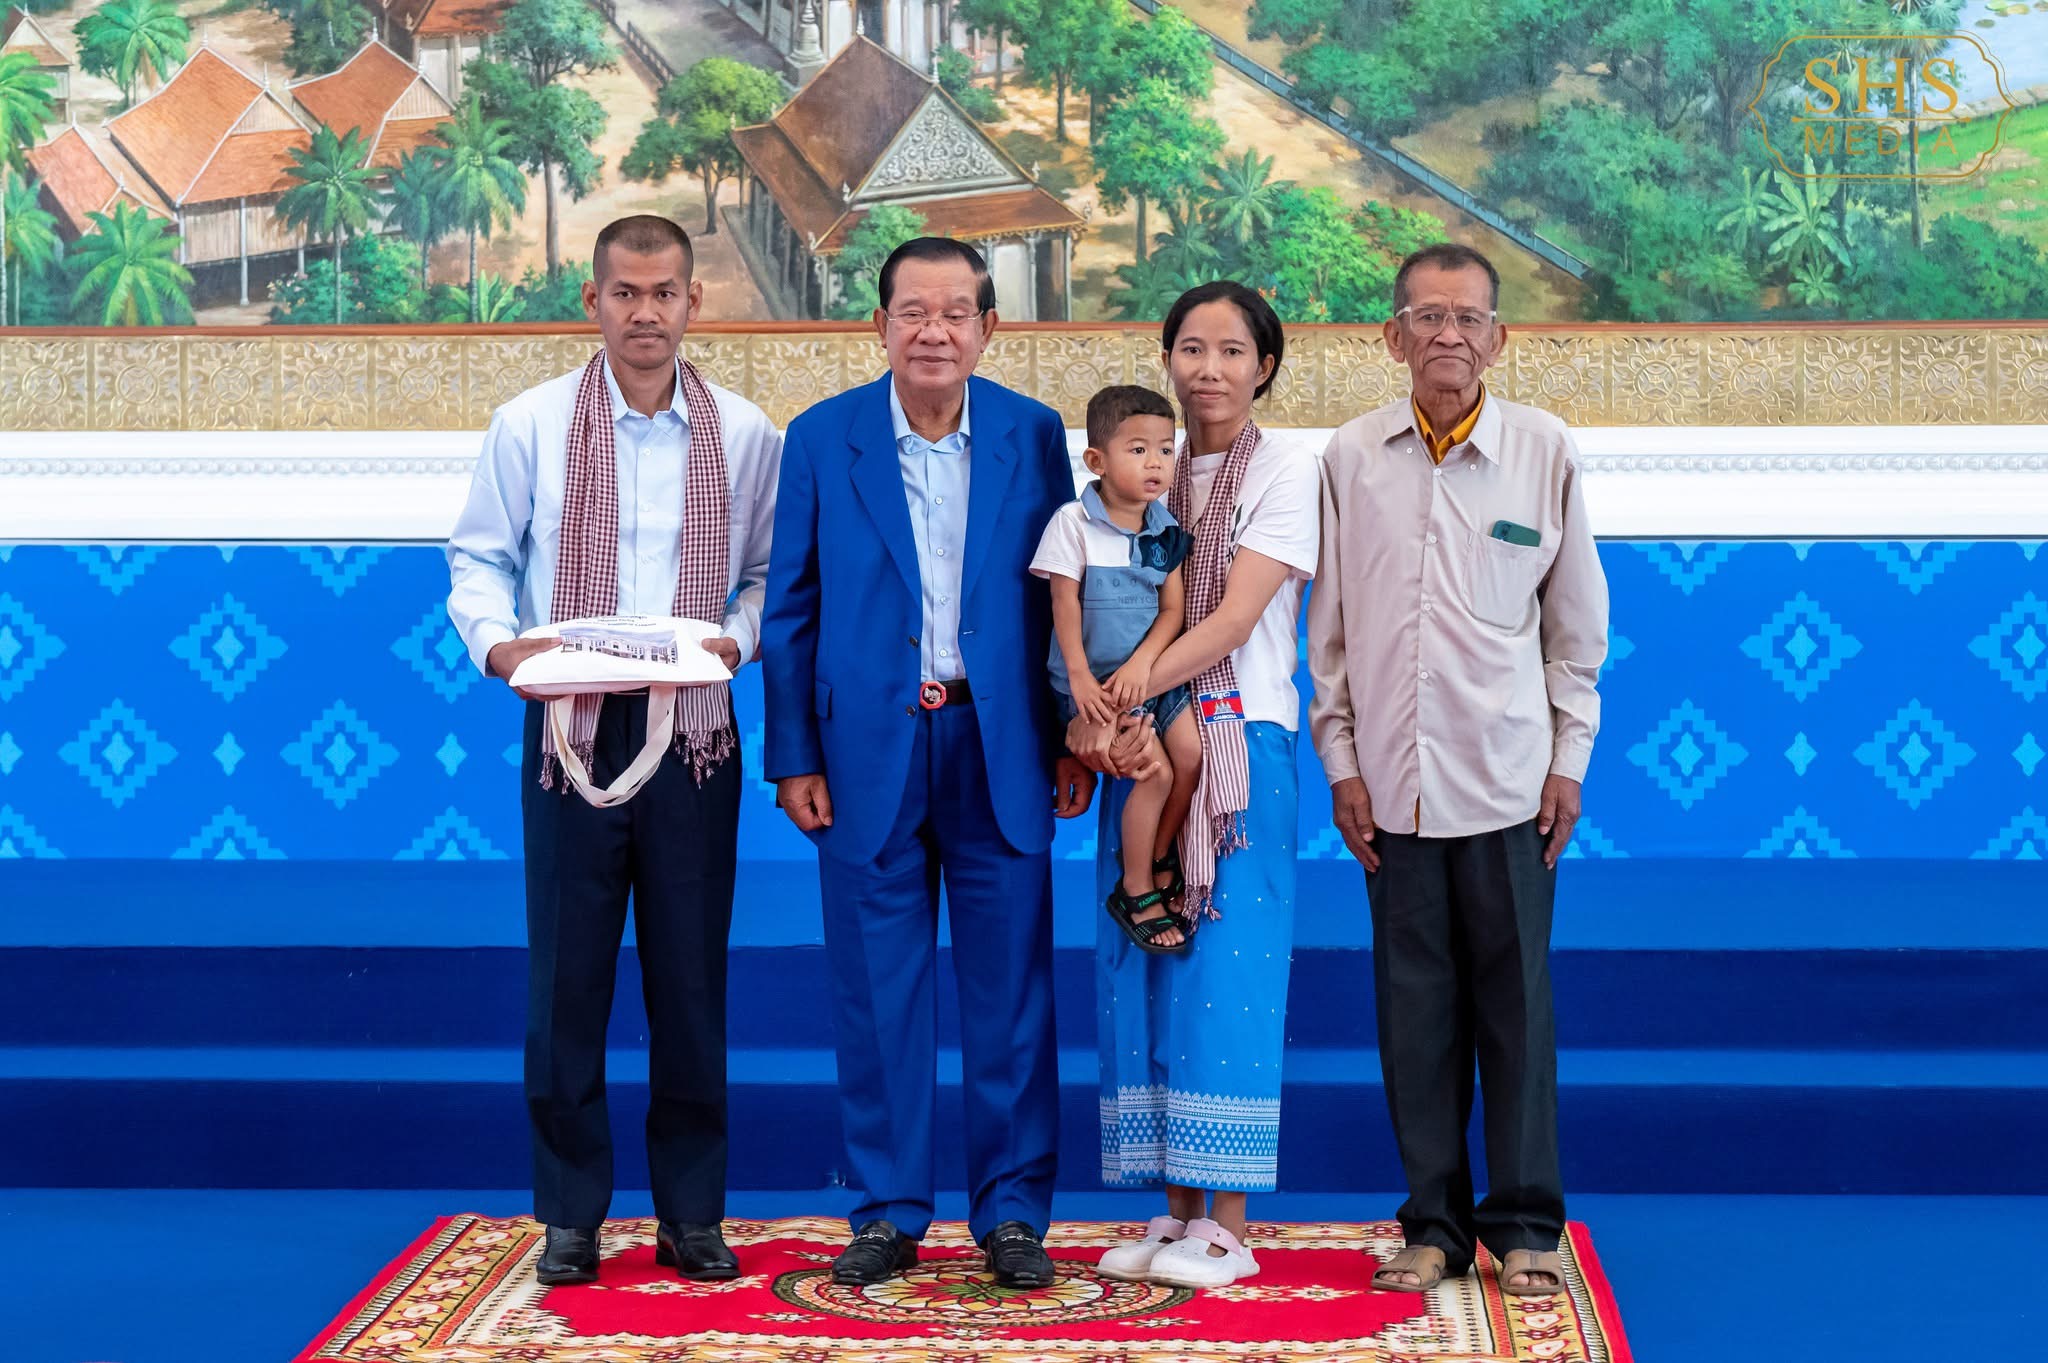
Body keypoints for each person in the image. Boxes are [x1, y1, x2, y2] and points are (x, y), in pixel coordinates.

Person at [445, 215, 781, 1287]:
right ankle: (570, 1215)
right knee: (568, 976)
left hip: (694, 733)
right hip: (569, 726)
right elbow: (478, 558)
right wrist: (497, 646)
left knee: (690, 978)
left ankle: (692, 1215)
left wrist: (740, 639)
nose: (645, 312)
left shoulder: (745, 434)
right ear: (592, 300)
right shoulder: (530, 425)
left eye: (664, 292)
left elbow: (767, 575)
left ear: (693, 302)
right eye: (625, 293)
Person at [760, 237, 1097, 1289]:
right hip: (866, 748)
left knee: (1012, 993)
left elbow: (1064, 597)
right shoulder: (822, 438)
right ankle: (887, 1209)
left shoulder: (1032, 435)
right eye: (913, 311)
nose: (934, 331)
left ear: (988, 328)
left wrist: (1067, 733)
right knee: (876, 992)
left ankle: (1013, 1214)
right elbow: (790, 607)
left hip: (1001, 744)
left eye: (956, 312)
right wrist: (793, 754)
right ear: (880, 325)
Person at [1307, 242, 1609, 1297]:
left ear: (1498, 338)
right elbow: (1330, 632)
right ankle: (1431, 1222)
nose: (1448, 335)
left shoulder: (1542, 450)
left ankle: (1525, 1221)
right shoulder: (1351, 456)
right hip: (1392, 788)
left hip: (1509, 780)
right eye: (1427, 318)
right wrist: (1341, 761)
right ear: (1392, 337)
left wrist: (1568, 758)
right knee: (1414, 1014)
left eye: (1467, 318)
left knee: (1515, 1009)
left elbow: (1574, 628)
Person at [1068, 282, 1318, 1290]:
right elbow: (1086, 603)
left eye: (1231, 350)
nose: (1208, 368)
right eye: (1190, 348)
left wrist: (1120, 695)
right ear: (1166, 357)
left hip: (1236, 741)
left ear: (1264, 366)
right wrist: (1101, 716)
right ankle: (1173, 1215)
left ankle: (1228, 1226)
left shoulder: (1286, 471)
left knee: (1227, 973)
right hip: (1143, 748)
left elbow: (1232, 619)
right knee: (1149, 966)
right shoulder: (1139, 468)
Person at [1029, 384, 1201, 954]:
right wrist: (1080, 680)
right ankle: (1135, 887)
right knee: (1154, 773)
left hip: (1150, 680)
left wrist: (1144, 665)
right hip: (1094, 692)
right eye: (1138, 450)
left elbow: (1172, 611)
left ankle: (1156, 852)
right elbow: (1062, 606)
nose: (1156, 463)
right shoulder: (1072, 522)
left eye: (1166, 450)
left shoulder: (1166, 529)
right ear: (1096, 460)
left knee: (1191, 756)